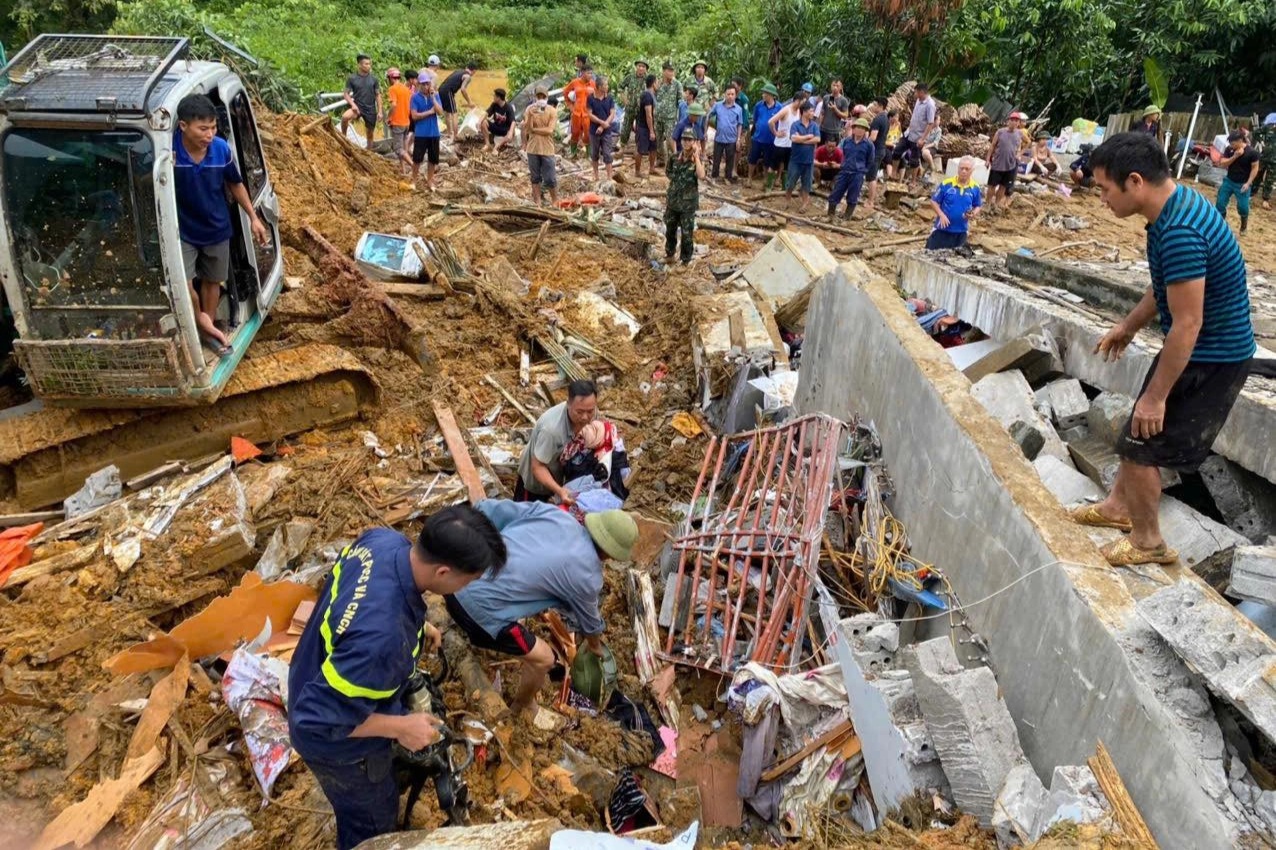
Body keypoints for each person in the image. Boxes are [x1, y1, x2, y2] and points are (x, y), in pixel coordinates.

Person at [1074, 132, 1254, 566]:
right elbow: (1165, 288)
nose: (1102, 199)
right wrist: (1128, 326)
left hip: (1212, 357)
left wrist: (1155, 397)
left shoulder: (1180, 231)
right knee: (1137, 430)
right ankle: (1119, 509)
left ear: (1134, 181)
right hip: (1199, 348)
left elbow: (1188, 324)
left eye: (1103, 188)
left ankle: (1148, 543)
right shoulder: (1172, 209)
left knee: (1141, 445)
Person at [288, 507, 508, 850]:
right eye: (467, 581)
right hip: (335, 742)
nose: (465, 588)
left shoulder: (384, 542)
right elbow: (314, 719)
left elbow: (358, 600)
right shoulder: (382, 642)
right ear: (444, 571)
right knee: (371, 821)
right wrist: (401, 728)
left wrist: (415, 623)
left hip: (312, 668)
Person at [445, 500, 638, 717]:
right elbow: (590, 624)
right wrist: (595, 647)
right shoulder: (588, 577)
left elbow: (490, 509)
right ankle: (523, 706)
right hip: (474, 611)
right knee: (545, 659)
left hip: (452, 578)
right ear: (610, 554)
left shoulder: (555, 515)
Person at [173, 94, 269, 356]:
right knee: (185, 281)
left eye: (213, 127)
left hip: (216, 227)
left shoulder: (221, 149)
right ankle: (201, 323)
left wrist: (254, 217)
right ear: (183, 126)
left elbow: (235, 184)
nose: (209, 134)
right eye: (203, 128)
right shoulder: (169, 154)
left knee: (213, 280)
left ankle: (208, 328)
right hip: (182, 231)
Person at [517, 380, 600, 502]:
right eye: (580, 412)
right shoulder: (551, 430)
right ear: (568, 404)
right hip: (536, 483)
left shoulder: (590, 412)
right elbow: (537, 467)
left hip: (556, 471)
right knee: (525, 516)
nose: (585, 417)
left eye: (590, 411)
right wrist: (560, 491)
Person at [665, 127, 705, 265]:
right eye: (684, 139)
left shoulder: (696, 160)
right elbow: (668, 172)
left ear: (694, 142)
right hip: (673, 201)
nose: (686, 142)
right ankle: (670, 254)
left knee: (687, 234)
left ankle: (685, 260)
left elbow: (701, 175)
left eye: (689, 140)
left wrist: (697, 156)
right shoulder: (674, 157)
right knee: (670, 229)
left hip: (688, 204)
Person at [925, 156, 982, 250]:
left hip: (961, 231)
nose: (964, 171)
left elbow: (978, 205)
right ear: (958, 169)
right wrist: (941, 215)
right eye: (961, 168)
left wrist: (973, 214)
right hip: (942, 229)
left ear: (972, 171)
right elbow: (934, 201)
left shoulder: (975, 188)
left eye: (967, 169)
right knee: (930, 256)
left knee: (955, 259)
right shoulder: (946, 184)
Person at [827, 117, 875, 220]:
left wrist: (863, 171)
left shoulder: (869, 145)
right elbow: (841, 153)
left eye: (862, 128)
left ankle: (847, 217)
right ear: (853, 128)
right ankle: (830, 215)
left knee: (853, 196)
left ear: (865, 131)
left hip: (857, 174)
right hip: (844, 171)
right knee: (836, 192)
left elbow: (870, 160)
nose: (859, 130)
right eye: (857, 127)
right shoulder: (847, 141)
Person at [888, 81, 937, 180]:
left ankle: (914, 181)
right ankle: (893, 174)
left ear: (922, 92)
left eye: (916, 92)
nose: (915, 94)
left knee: (914, 160)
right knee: (897, 151)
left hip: (918, 137)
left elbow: (930, 123)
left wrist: (922, 139)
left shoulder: (930, 105)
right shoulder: (919, 101)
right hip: (909, 133)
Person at [1216, 130, 1260, 233]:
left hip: (1242, 184)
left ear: (1240, 141)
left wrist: (1248, 183)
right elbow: (1222, 163)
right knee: (1220, 203)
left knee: (1243, 207)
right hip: (1229, 181)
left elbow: (1255, 168)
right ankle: (1220, 225)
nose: (1231, 145)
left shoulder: (1252, 153)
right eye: (1230, 143)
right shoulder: (1229, 150)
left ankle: (1244, 225)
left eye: (1233, 143)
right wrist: (1235, 156)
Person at [522, 86, 559, 206]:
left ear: (547, 97)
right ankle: (537, 202)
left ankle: (555, 201)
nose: (541, 99)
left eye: (543, 97)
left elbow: (549, 130)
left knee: (550, 178)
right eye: (539, 97)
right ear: (535, 97)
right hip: (533, 148)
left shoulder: (552, 111)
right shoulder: (529, 110)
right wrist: (531, 117)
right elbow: (527, 129)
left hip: (547, 149)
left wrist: (534, 129)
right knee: (535, 177)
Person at [409, 75, 443, 191]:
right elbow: (414, 116)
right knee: (417, 159)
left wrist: (433, 98)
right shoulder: (415, 97)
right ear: (419, 85)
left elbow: (440, 112)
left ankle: (430, 180)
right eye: (423, 84)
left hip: (434, 133)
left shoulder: (436, 96)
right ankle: (413, 180)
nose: (425, 86)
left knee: (433, 159)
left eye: (427, 83)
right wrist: (429, 112)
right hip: (421, 133)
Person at [341, 53, 382, 150]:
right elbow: (346, 94)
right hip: (358, 106)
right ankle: (343, 138)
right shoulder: (352, 78)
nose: (368, 66)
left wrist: (380, 111)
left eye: (369, 64)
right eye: (366, 64)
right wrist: (353, 105)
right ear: (359, 65)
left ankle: (369, 152)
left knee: (370, 134)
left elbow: (378, 95)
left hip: (370, 108)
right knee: (345, 117)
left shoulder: (374, 79)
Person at [784, 102, 820, 211]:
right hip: (796, 160)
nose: (813, 113)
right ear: (804, 112)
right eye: (811, 111)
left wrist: (802, 139)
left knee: (807, 184)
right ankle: (787, 201)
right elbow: (794, 138)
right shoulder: (795, 125)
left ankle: (804, 204)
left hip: (808, 161)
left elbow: (817, 139)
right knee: (790, 183)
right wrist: (809, 137)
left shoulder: (814, 125)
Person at [986, 111, 1025, 211]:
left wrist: (1019, 153)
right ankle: (988, 204)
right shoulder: (1000, 132)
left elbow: (1029, 142)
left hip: (1010, 165)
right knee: (992, 186)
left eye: (1016, 121)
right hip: (997, 163)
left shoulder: (1020, 133)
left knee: (1003, 187)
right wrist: (987, 159)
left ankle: (997, 204)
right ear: (1008, 121)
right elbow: (992, 146)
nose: (1014, 122)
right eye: (1012, 120)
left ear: (1019, 123)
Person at [748, 84, 783, 188]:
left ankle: (765, 180)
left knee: (767, 161)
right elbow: (755, 120)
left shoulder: (779, 107)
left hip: (771, 140)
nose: (763, 95)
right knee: (752, 159)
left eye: (765, 93)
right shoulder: (758, 105)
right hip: (758, 138)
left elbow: (781, 122)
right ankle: (749, 179)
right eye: (763, 93)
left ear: (772, 95)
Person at [708, 84, 745, 183]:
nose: (730, 96)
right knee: (716, 160)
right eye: (728, 94)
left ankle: (728, 178)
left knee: (730, 160)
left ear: (735, 95)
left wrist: (738, 139)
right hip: (719, 138)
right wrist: (705, 129)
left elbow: (740, 124)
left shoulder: (738, 109)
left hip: (731, 139)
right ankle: (714, 177)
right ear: (725, 94)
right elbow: (708, 115)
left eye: (732, 94)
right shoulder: (718, 105)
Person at [587, 75, 618, 182]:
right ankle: (596, 176)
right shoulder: (590, 98)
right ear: (599, 87)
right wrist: (601, 123)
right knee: (594, 153)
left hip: (607, 131)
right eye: (605, 84)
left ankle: (609, 177)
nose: (607, 86)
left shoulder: (609, 98)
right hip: (593, 131)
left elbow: (612, 113)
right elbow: (590, 114)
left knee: (607, 153)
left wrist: (604, 124)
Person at [438, 61, 477, 143]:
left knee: (447, 113)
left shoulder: (458, 71)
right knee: (454, 114)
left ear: (467, 67)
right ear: (474, 71)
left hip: (441, 89)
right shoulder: (468, 76)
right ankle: (455, 136)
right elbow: (463, 89)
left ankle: (449, 133)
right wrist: (470, 102)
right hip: (448, 92)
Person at [769, 93, 803, 186]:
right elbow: (771, 121)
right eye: (802, 102)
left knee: (786, 167)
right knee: (773, 165)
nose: (803, 104)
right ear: (797, 101)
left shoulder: (798, 111)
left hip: (791, 144)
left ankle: (784, 187)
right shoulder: (786, 110)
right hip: (780, 143)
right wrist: (776, 132)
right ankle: (768, 187)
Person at [564, 67, 596, 158]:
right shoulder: (575, 82)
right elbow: (565, 92)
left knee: (587, 133)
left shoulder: (593, 84)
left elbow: (598, 96)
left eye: (591, 73)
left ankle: (589, 155)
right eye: (588, 73)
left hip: (587, 113)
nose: (590, 75)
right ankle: (573, 153)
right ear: (582, 72)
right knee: (575, 132)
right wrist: (570, 106)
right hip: (577, 112)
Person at [385, 68, 413, 174]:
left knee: (398, 149)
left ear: (391, 78)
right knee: (402, 148)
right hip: (406, 123)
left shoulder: (392, 89)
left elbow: (393, 104)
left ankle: (413, 166)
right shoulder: (406, 89)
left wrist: (388, 117)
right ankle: (404, 170)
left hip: (397, 123)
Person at [654, 62, 682, 168]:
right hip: (658, 116)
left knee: (671, 139)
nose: (671, 73)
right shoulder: (658, 83)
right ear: (663, 71)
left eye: (672, 70)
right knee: (658, 139)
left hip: (670, 118)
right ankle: (660, 159)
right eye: (669, 70)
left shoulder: (677, 84)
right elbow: (653, 98)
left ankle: (671, 161)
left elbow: (680, 101)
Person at [866, 99, 891, 209]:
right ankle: (871, 198)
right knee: (873, 174)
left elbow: (873, 137)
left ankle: (870, 201)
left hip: (875, 151)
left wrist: (863, 142)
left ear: (880, 106)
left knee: (872, 176)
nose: (873, 106)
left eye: (875, 104)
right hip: (881, 149)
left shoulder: (877, 119)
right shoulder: (886, 119)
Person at [633, 73, 658, 177]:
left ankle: (651, 168)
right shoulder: (647, 96)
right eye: (657, 82)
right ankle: (637, 172)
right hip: (644, 127)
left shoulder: (652, 95)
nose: (659, 84)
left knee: (653, 148)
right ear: (653, 84)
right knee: (641, 149)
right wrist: (651, 130)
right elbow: (648, 115)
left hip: (650, 126)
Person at [619, 60, 649, 148]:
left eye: (643, 67)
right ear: (636, 67)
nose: (641, 68)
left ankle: (639, 147)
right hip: (630, 107)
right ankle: (622, 145)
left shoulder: (648, 79)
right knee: (626, 127)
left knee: (641, 128)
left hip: (642, 109)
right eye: (639, 66)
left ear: (646, 69)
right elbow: (620, 87)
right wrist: (624, 99)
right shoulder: (630, 77)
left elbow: (654, 90)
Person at [480, 88, 516, 153]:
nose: (493, 97)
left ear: (498, 98)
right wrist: (479, 121)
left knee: (512, 133)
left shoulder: (508, 107)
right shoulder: (494, 104)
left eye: (494, 96)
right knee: (483, 122)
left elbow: (513, 121)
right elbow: (486, 113)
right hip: (496, 127)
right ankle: (487, 144)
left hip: (505, 130)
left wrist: (510, 132)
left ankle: (497, 146)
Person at [1256, 113, 1276, 210]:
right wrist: (1261, 141)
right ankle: (1251, 194)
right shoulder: (1269, 127)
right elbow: (1256, 132)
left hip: (1275, 161)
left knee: (1270, 180)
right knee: (1257, 175)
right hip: (1264, 157)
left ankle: (1265, 200)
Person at [820, 80, 850, 144]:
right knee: (822, 149)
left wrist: (835, 109)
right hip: (823, 129)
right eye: (833, 85)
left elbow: (845, 116)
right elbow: (822, 113)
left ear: (841, 87)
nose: (835, 87)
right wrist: (819, 126)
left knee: (833, 151)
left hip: (835, 131)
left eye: (837, 86)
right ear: (831, 86)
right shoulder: (826, 97)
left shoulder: (843, 100)